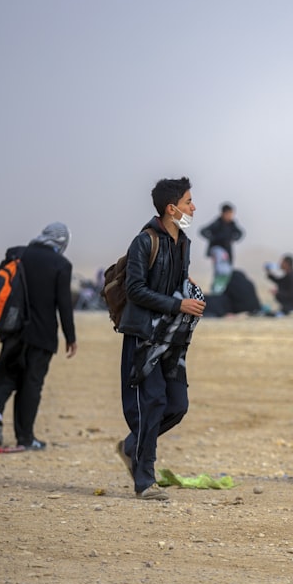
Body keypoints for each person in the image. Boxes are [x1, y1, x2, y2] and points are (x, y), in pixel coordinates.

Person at [115, 177, 206, 501]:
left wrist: (189, 290)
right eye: (188, 202)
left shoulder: (183, 241)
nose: (193, 207)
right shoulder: (145, 241)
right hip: (144, 336)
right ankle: (144, 481)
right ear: (171, 208)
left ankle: (131, 446)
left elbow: (175, 280)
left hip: (171, 338)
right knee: (151, 403)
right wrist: (178, 303)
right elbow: (135, 290)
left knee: (176, 405)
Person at [0, 223, 77, 451]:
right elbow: (64, 305)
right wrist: (70, 337)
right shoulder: (61, 265)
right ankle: (26, 438)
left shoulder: (17, 253)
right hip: (42, 335)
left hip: (13, 329)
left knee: (6, 373)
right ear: (62, 242)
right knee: (31, 385)